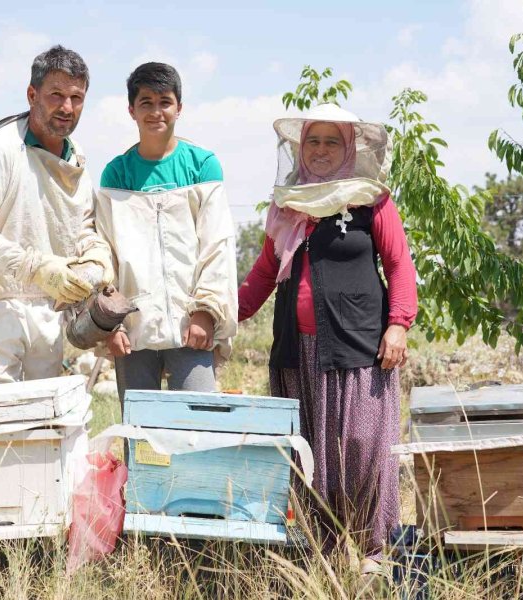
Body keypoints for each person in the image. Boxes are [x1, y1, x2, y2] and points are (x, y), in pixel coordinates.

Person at [238, 104, 417, 573]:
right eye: (312, 141)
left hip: (358, 346)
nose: (320, 150)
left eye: (330, 141)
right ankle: (323, 550)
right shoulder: (287, 204)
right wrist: (224, 315)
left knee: (359, 446)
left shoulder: (370, 200)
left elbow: (399, 265)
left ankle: (371, 550)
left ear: (349, 148)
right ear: (300, 149)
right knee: (309, 453)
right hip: (297, 351)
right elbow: (263, 273)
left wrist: (398, 323)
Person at [0, 45, 113, 388]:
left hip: (46, 312)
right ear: (32, 94)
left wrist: (95, 257)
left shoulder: (76, 157)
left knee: (40, 432)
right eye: (56, 95)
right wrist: (35, 267)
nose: (67, 107)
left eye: (76, 97)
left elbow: (79, 225)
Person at [92, 62, 238, 400]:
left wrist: (207, 310)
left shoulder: (203, 165)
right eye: (146, 102)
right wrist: (110, 325)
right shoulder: (117, 174)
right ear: (131, 110)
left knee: (196, 428)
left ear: (179, 108)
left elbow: (217, 246)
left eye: (165, 102)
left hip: (192, 325)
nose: (156, 112)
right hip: (134, 330)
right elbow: (105, 255)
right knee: (140, 435)